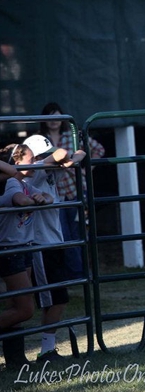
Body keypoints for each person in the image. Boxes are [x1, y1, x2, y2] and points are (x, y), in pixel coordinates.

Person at [23, 135, 86, 362]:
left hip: (53, 242)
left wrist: (73, 158)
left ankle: (47, 349)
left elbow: (77, 156)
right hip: (42, 245)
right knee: (56, 300)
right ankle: (46, 350)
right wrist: (63, 158)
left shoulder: (49, 170)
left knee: (55, 300)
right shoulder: (37, 170)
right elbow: (61, 155)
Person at [0, 144, 53, 369]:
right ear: (16, 161)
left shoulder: (23, 182)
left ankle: (15, 360)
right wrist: (35, 200)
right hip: (10, 250)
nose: (36, 162)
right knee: (25, 309)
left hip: (23, 247)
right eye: (32, 159)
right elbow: (20, 200)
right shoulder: (12, 182)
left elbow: (48, 197)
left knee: (17, 305)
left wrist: (42, 197)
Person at [39, 102, 105, 279]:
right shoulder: (39, 141)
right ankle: (74, 274)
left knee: (81, 233)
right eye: (49, 117)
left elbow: (97, 149)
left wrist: (85, 169)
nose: (53, 121)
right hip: (54, 195)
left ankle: (81, 273)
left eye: (57, 117)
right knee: (62, 235)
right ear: (44, 119)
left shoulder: (71, 136)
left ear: (62, 119)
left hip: (77, 191)